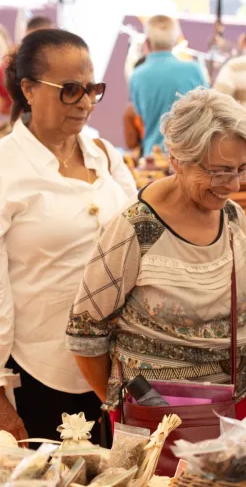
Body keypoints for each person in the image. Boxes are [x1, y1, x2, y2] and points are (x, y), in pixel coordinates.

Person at [65, 87, 246, 426]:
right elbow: (85, 337)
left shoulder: (233, 218)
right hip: (156, 420)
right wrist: (131, 413)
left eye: (243, 169)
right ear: (177, 158)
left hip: (235, 411)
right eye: (220, 171)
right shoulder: (135, 229)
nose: (234, 185)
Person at [0, 28, 137, 441]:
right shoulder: (7, 168)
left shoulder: (105, 157)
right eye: (70, 90)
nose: (85, 103)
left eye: (92, 90)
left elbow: (141, 238)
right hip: (39, 369)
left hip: (118, 367)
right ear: (28, 89)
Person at [129, 15, 208, 156]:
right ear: (176, 41)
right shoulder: (193, 70)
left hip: (153, 157)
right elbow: (210, 112)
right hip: (189, 157)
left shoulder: (137, 76)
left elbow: (138, 116)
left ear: (147, 42)